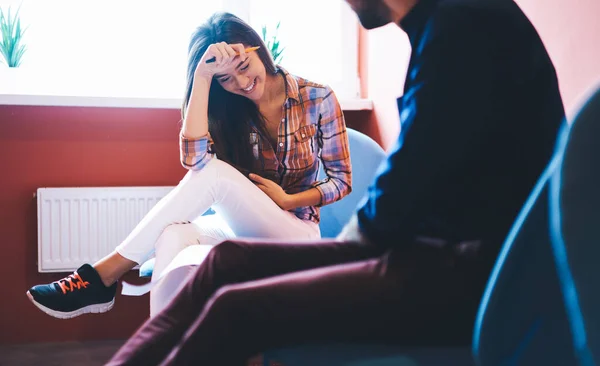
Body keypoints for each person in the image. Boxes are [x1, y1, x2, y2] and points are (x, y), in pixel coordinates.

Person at [105, 0, 567, 364]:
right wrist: (204, 80)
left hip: (475, 272)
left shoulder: (464, 25)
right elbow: (426, 177)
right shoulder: (440, 27)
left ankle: (105, 275)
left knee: (235, 307)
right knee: (223, 260)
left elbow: (397, 197)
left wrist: (328, 244)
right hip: (430, 249)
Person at [26, 12, 352, 319]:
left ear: (258, 48)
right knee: (173, 233)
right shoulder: (229, 109)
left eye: (243, 65)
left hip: (295, 234)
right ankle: (166, 343)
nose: (241, 82)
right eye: (226, 78)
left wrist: (288, 200)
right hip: (239, 228)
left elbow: (342, 181)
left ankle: (104, 274)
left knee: (214, 176)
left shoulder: (318, 98)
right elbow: (195, 161)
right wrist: (203, 76)